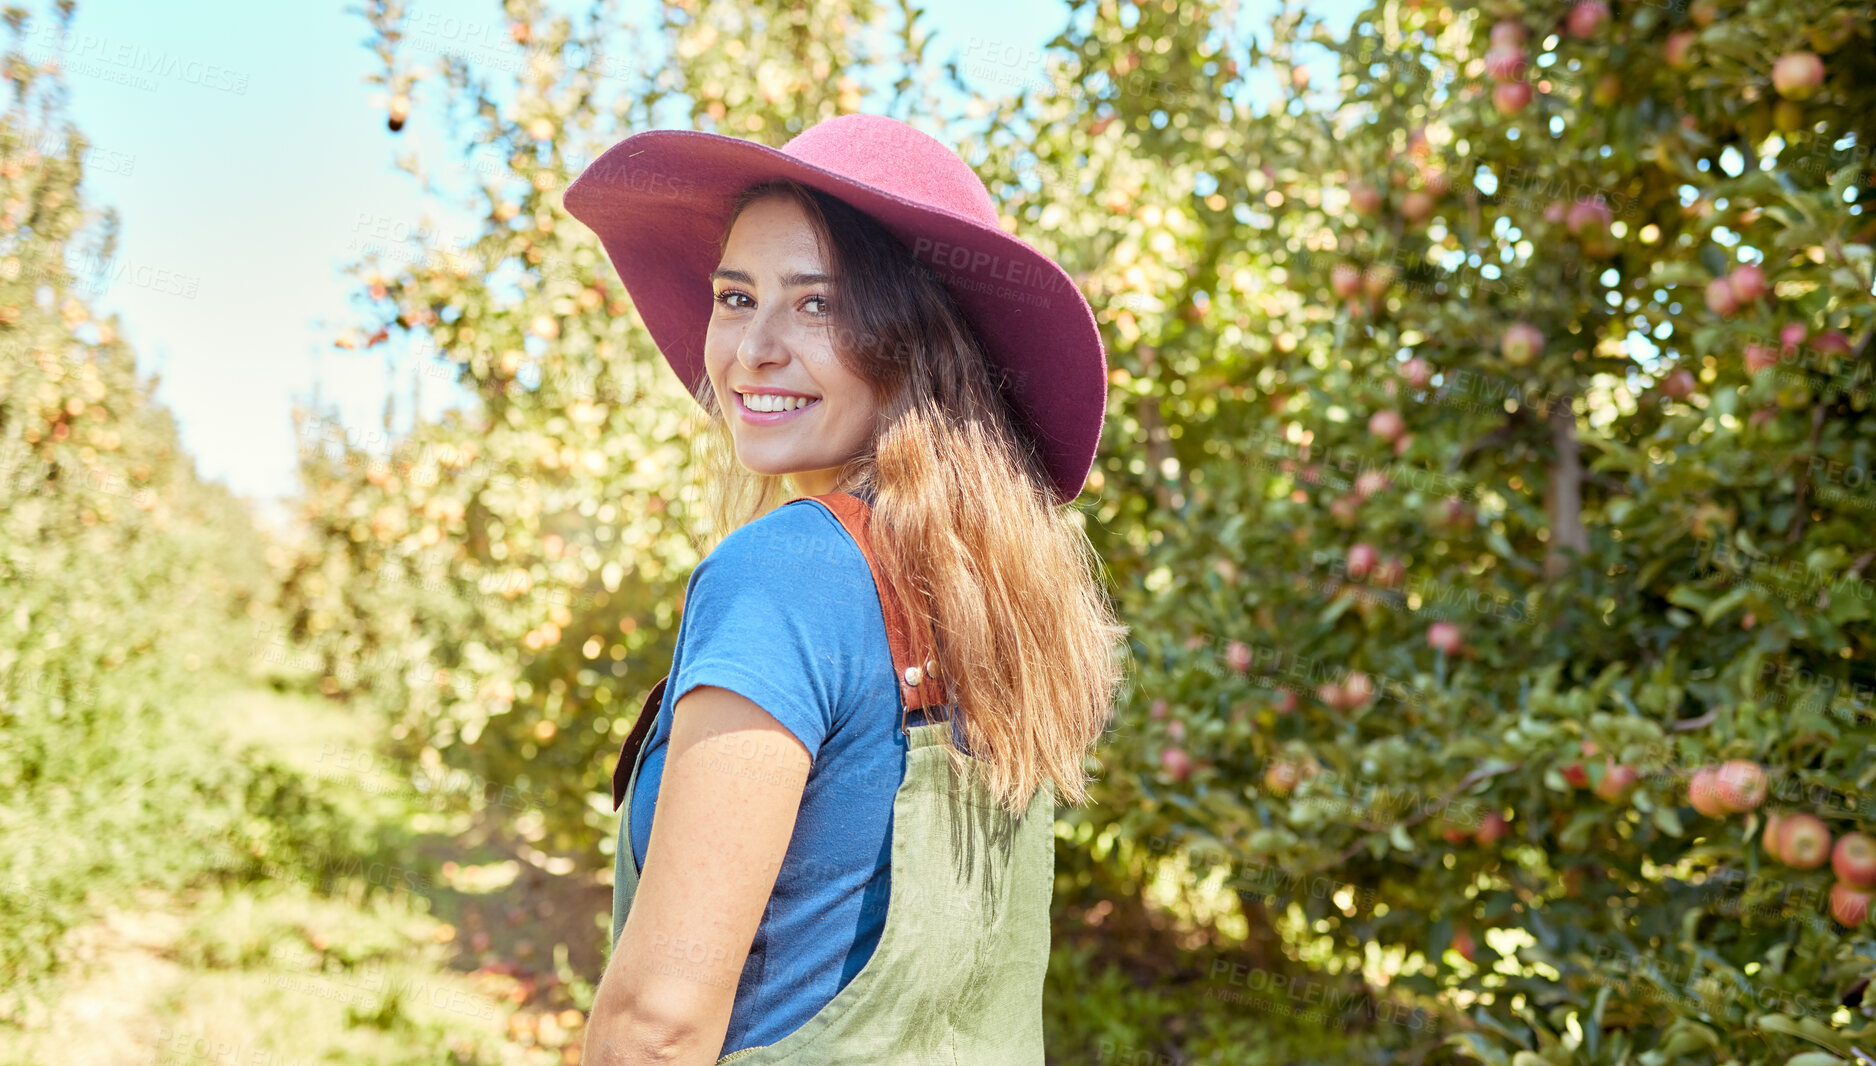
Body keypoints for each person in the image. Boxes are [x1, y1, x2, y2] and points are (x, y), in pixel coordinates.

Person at [563, 112, 1125, 1064]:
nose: (753, 350)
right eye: (736, 297)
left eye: (817, 305)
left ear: (916, 341)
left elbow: (657, 1026)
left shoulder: (783, 574)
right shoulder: (999, 599)